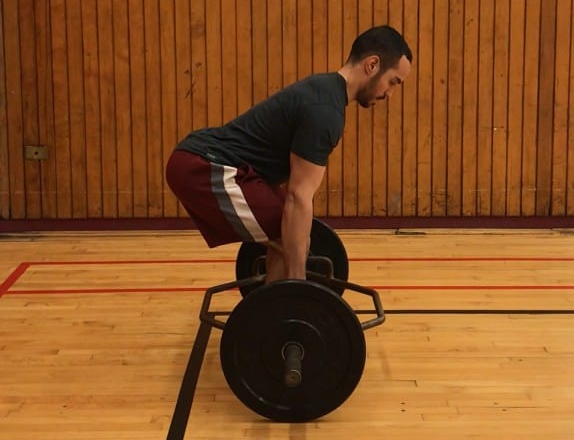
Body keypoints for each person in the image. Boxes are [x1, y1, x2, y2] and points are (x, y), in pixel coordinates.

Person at [166, 25, 413, 282]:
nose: (390, 94)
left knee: (293, 232)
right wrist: (299, 286)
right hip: (202, 166)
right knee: (289, 233)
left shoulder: (325, 92)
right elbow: (298, 196)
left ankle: (275, 308)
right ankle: (276, 311)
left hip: (226, 167)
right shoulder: (324, 111)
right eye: (392, 82)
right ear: (372, 65)